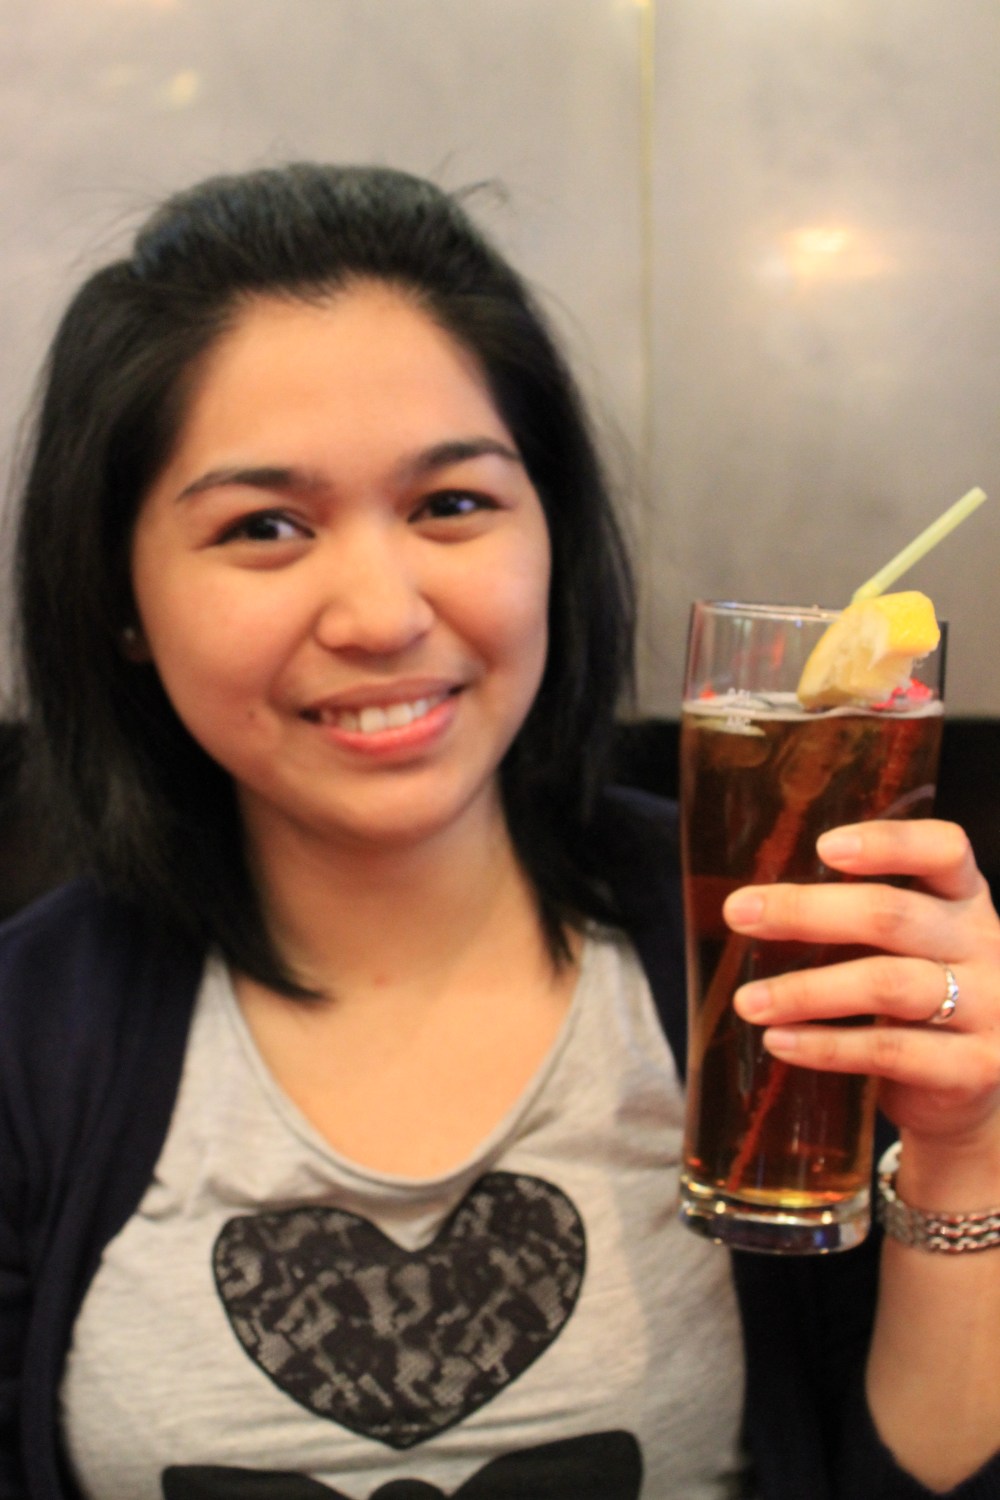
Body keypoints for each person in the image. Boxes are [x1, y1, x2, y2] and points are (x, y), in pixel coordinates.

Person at [0, 162, 997, 1500]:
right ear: (120, 598)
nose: (381, 614)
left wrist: (967, 1150)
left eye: (450, 505)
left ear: (551, 534)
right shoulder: (30, 1037)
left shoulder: (764, 946)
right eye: (265, 526)